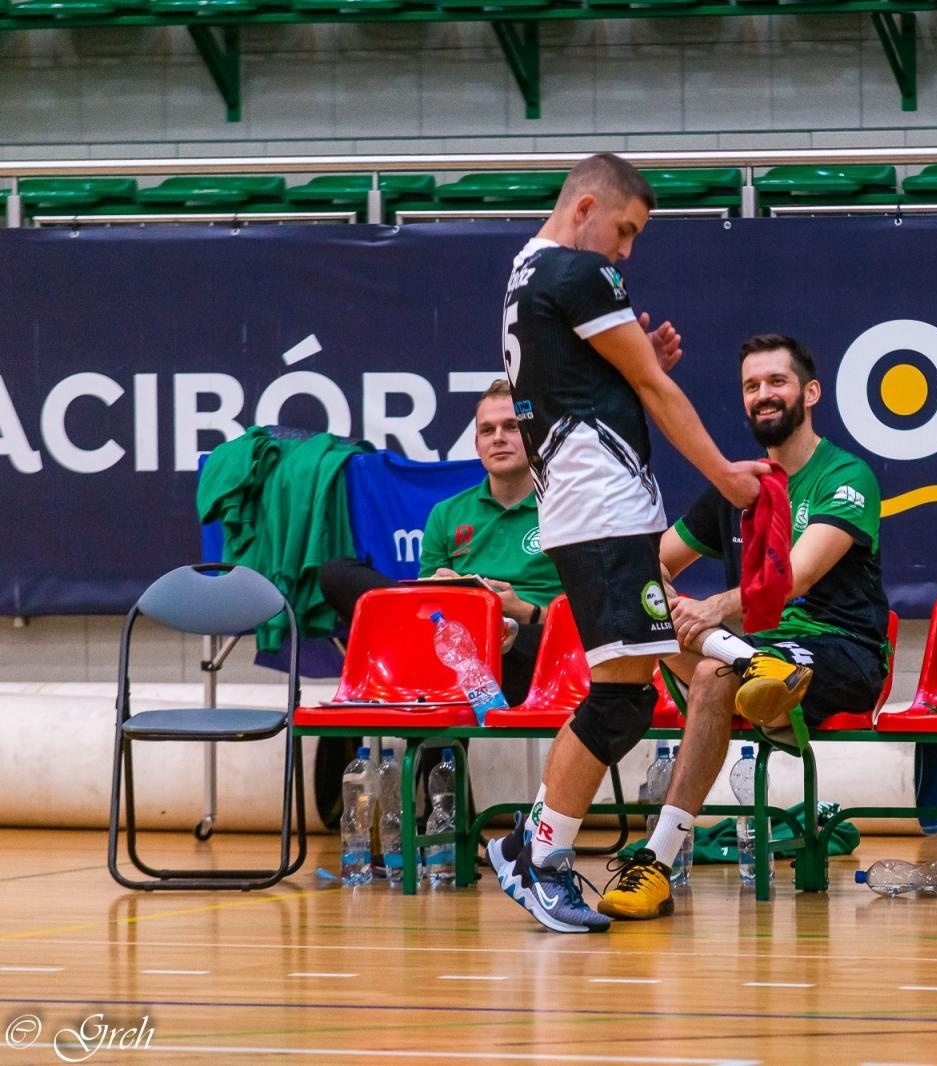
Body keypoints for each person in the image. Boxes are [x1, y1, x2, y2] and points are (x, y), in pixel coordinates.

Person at [484, 153, 807, 934]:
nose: (626, 252)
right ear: (587, 205)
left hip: (584, 505)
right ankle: (540, 857)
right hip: (603, 507)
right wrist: (728, 478)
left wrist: (632, 369)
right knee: (620, 700)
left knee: (624, 696)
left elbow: (591, 384)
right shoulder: (579, 273)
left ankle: (535, 847)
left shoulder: (526, 271)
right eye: (624, 232)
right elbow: (659, 393)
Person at [594, 333, 890, 921]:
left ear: (809, 392)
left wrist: (709, 610)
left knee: (708, 670)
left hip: (840, 651)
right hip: (752, 653)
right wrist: (664, 598)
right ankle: (746, 662)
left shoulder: (846, 475)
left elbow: (794, 580)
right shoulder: (736, 485)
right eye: (751, 387)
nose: (763, 396)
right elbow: (658, 558)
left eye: (776, 382)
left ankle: (656, 863)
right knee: (647, 613)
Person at [314, 378, 560, 824]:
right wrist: (440, 589)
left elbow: (589, 608)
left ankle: (443, 821)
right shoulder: (447, 513)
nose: (499, 438)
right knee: (338, 573)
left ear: (533, 436)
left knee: (449, 664)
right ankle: (443, 821)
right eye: (488, 430)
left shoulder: (565, 511)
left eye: (510, 427)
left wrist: (520, 610)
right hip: (459, 647)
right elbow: (431, 614)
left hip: (534, 653)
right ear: (476, 441)